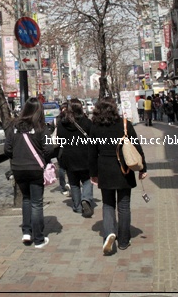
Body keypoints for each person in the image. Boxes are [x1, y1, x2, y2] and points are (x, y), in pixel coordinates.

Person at [89, 97, 148, 255]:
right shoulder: (124, 124)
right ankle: (123, 240)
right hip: (124, 170)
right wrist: (143, 168)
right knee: (124, 206)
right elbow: (136, 147)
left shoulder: (94, 126)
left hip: (104, 170)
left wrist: (93, 174)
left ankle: (109, 233)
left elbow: (92, 153)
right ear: (115, 109)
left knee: (108, 205)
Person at [4, 97, 54, 248]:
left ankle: (27, 232)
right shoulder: (41, 127)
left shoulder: (14, 126)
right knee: (37, 203)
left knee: (26, 199)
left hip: (18, 169)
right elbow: (49, 149)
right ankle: (38, 239)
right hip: (35, 169)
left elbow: (7, 149)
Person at [56, 98, 94, 217]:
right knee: (87, 180)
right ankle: (86, 199)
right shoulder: (86, 122)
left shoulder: (62, 123)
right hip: (85, 156)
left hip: (68, 157)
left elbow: (59, 140)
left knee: (74, 183)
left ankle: (77, 207)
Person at [55, 102, 71, 196]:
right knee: (65, 167)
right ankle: (68, 183)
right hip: (66, 146)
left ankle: (63, 186)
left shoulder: (57, 119)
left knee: (62, 167)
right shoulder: (71, 119)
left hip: (60, 146)